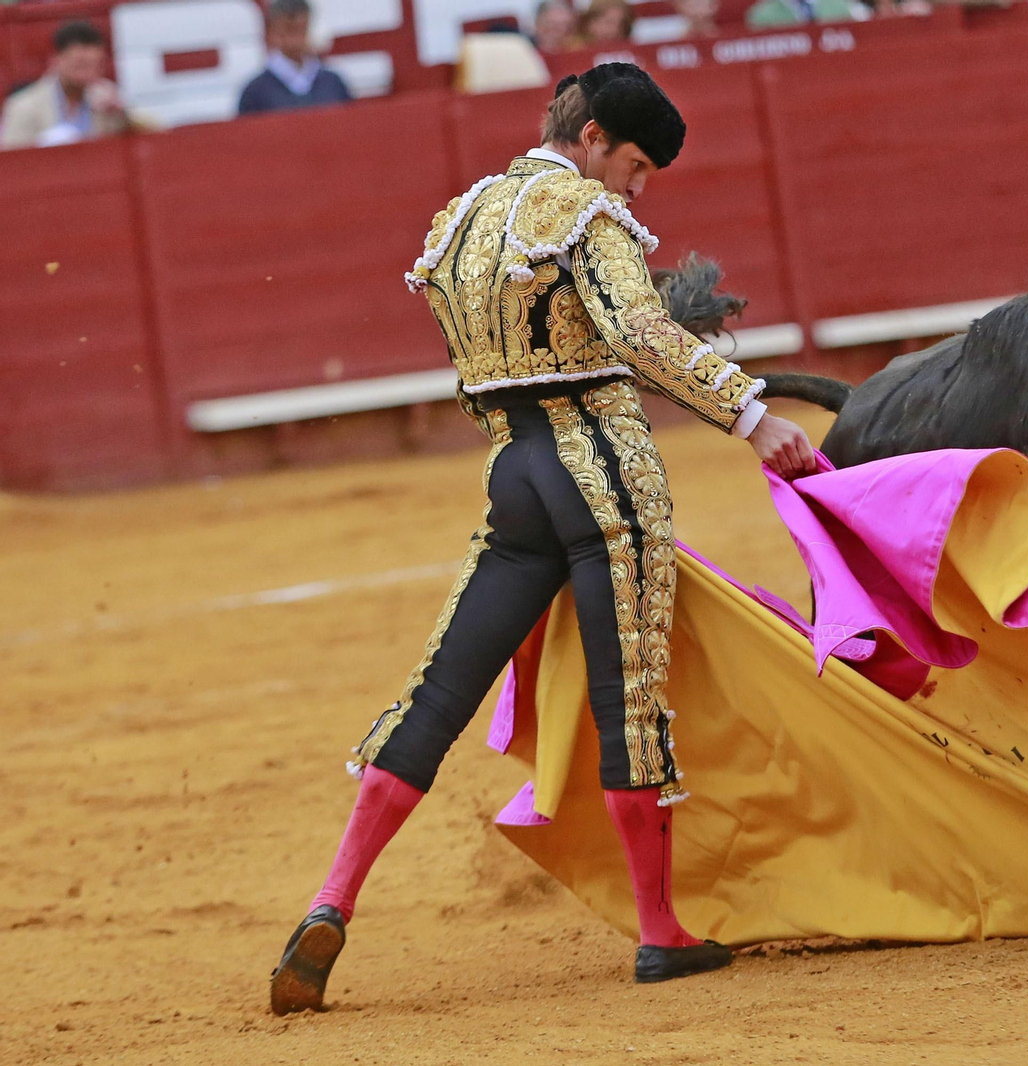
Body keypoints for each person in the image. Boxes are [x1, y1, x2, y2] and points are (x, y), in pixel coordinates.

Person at [269, 62, 817, 1016]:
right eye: (635, 163)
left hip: (512, 474)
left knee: (437, 690)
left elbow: (506, 352)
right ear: (594, 134)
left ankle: (332, 898)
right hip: (603, 470)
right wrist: (751, 416)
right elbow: (638, 335)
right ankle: (660, 932)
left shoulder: (465, 220)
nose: (635, 189)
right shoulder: (587, 214)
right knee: (629, 697)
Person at [1, 21, 134, 151]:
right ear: (56, 60)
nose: (87, 74)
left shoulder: (108, 100)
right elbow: (13, 162)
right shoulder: (24, 107)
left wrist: (122, 113)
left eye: (95, 66)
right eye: (80, 65)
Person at [237, 0, 352, 115]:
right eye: (288, 31)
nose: (295, 40)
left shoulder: (333, 83)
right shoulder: (255, 92)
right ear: (271, 33)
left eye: (301, 30)